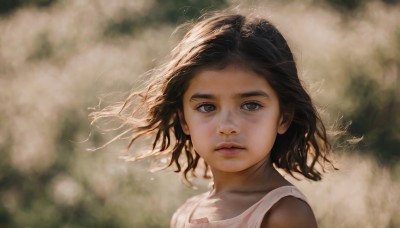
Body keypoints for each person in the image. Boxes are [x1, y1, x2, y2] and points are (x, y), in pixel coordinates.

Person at [91, 12, 335, 228]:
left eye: (251, 105)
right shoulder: (184, 215)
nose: (227, 126)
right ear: (184, 120)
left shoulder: (284, 214)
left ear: (283, 117)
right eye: (207, 107)